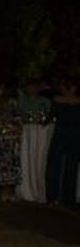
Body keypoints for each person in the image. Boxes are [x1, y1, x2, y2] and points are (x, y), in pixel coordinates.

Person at [45, 75, 79, 207]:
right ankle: (68, 198)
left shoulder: (57, 100)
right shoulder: (78, 101)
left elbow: (50, 117)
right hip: (75, 134)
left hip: (61, 133)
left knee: (54, 164)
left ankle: (52, 196)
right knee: (71, 166)